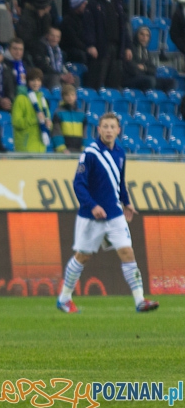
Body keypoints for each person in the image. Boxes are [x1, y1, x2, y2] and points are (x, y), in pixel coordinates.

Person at [57, 112, 159, 314]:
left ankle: (140, 300)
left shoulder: (120, 153)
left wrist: (126, 202)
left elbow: (120, 182)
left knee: (127, 252)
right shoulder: (90, 153)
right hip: (91, 216)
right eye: (105, 127)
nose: (109, 130)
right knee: (82, 256)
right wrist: (92, 205)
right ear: (99, 129)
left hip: (114, 213)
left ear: (118, 130)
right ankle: (64, 298)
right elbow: (78, 184)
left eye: (112, 127)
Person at [82, 0, 132, 90]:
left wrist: (128, 47)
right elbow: (88, 26)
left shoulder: (118, 4)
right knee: (96, 81)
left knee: (114, 82)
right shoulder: (92, 3)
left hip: (117, 49)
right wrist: (90, 45)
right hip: (100, 48)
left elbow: (124, 28)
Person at [12, 67, 51, 153]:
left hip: (41, 148)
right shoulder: (20, 99)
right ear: (27, 81)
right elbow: (17, 123)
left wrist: (48, 124)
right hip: (25, 148)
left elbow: (47, 118)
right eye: (32, 80)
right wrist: (35, 119)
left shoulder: (42, 99)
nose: (36, 83)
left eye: (38, 80)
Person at [52, 84, 86, 153]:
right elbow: (56, 133)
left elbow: (85, 134)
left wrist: (84, 147)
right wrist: (62, 148)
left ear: (76, 96)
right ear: (63, 97)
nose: (70, 97)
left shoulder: (81, 114)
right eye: (67, 95)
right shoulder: (58, 113)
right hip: (63, 152)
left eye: (72, 95)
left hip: (79, 150)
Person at [60, 0, 90, 65]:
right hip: (69, 48)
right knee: (82, 55)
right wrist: (87, 48)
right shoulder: (68, 20)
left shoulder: (85, 18)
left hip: (81, 47)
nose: (86, 7)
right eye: (84, 4)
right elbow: (73, 40)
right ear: (77, 5)